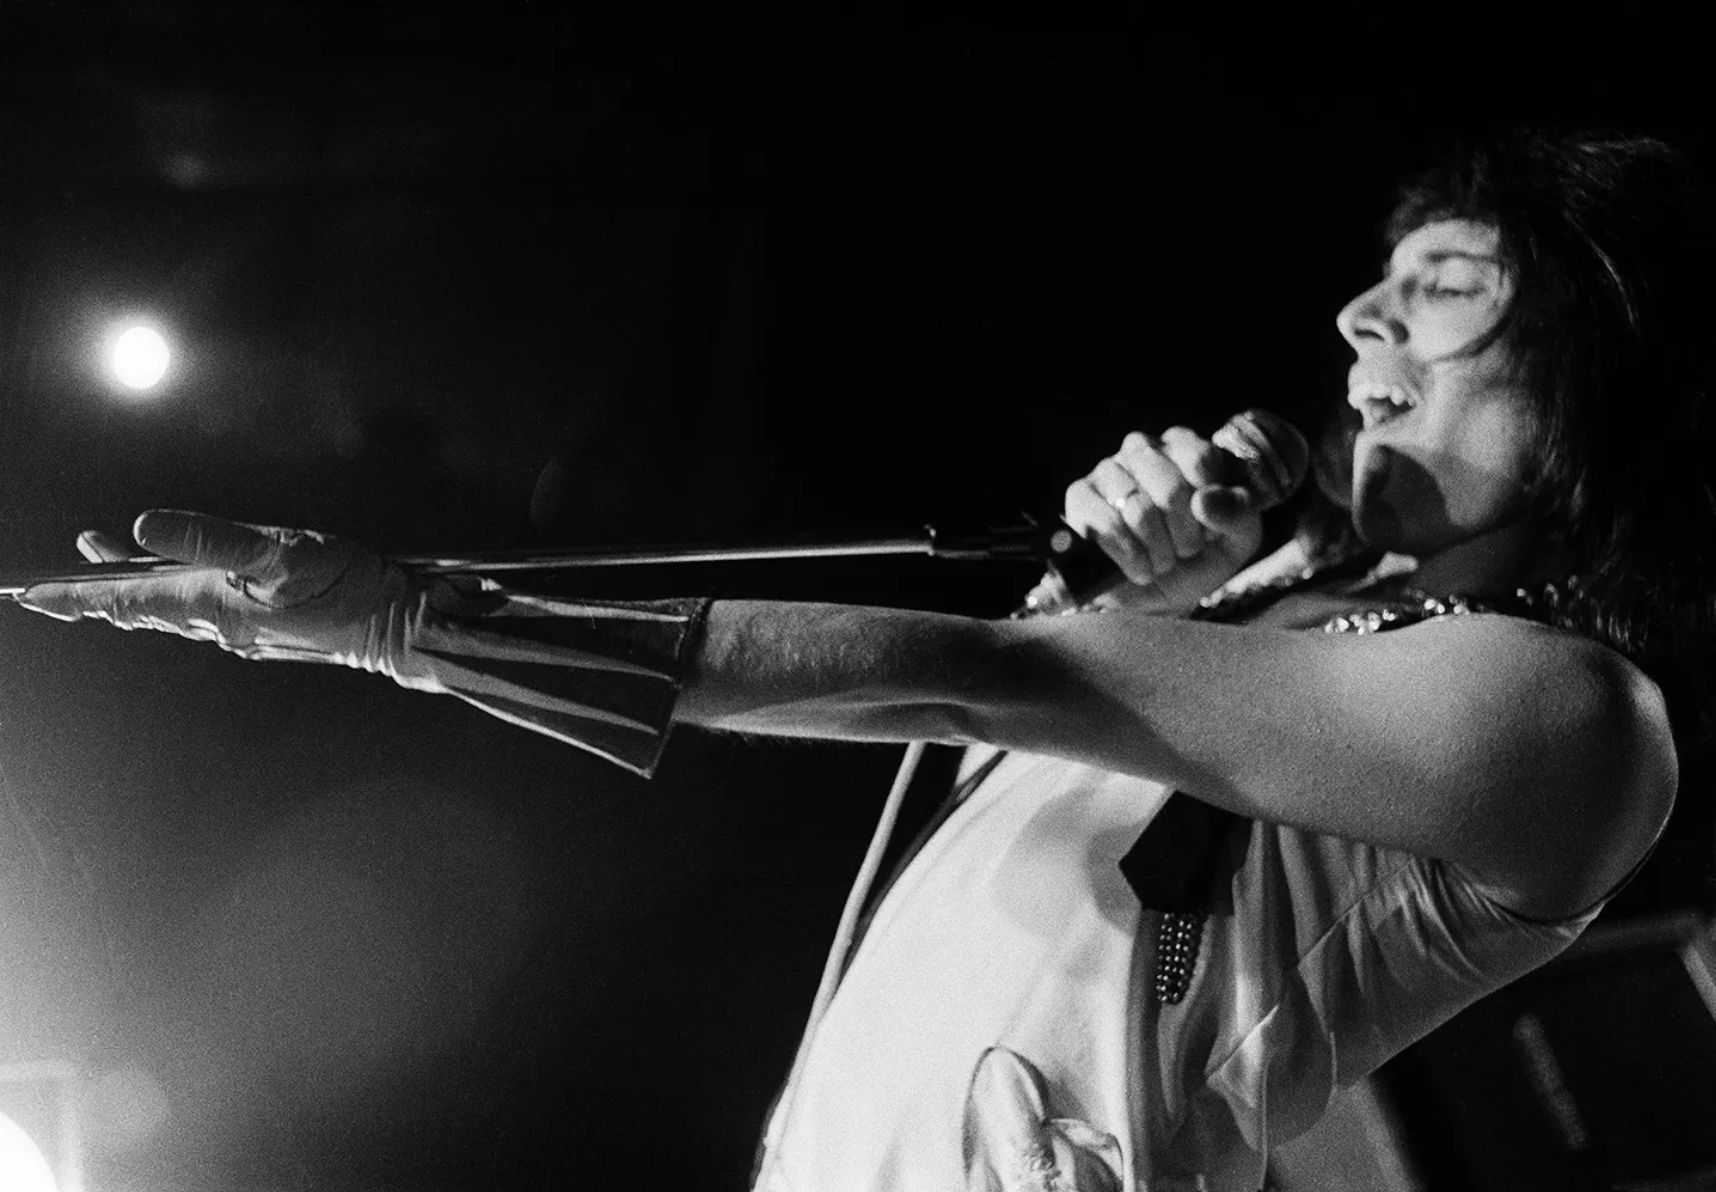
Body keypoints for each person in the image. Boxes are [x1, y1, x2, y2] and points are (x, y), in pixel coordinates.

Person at [14, 129, 1714, 1189]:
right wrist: (1159, 580)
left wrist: (415, 626)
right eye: (1379, 280)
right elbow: (996, 735)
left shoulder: (1570, 713)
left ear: (1605, 369)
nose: (1360, 318)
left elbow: (989, 679)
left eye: (1443, 285)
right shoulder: (1285, 595)